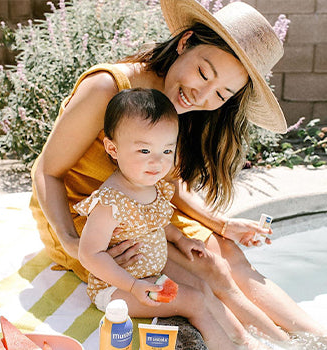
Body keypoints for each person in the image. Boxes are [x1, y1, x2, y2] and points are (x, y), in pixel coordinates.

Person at [30, 0, 327, 344]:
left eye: (221, 93)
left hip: (142, 205)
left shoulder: (187, 105)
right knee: (203, 276)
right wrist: (71, 242)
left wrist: (221, 224)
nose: (202, 95)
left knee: (225, 254)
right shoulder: (109, 88)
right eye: (203, 73)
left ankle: (314, 338)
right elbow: (46, 171)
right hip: (85, 216)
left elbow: (166, 183)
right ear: (185, 42)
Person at [74, 87, 268, 349]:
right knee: (193, 301)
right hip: (115, 290)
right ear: (112, 148)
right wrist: (132, 286)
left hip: (149, 274)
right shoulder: (110, 202)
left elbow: (156, 221)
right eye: (144, 151)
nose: (157, 162)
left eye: (167, 151)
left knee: (202, 286)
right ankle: (232, 347)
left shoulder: (147, 184)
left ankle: (244, 339)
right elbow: (89, 254)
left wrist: (181, 239)